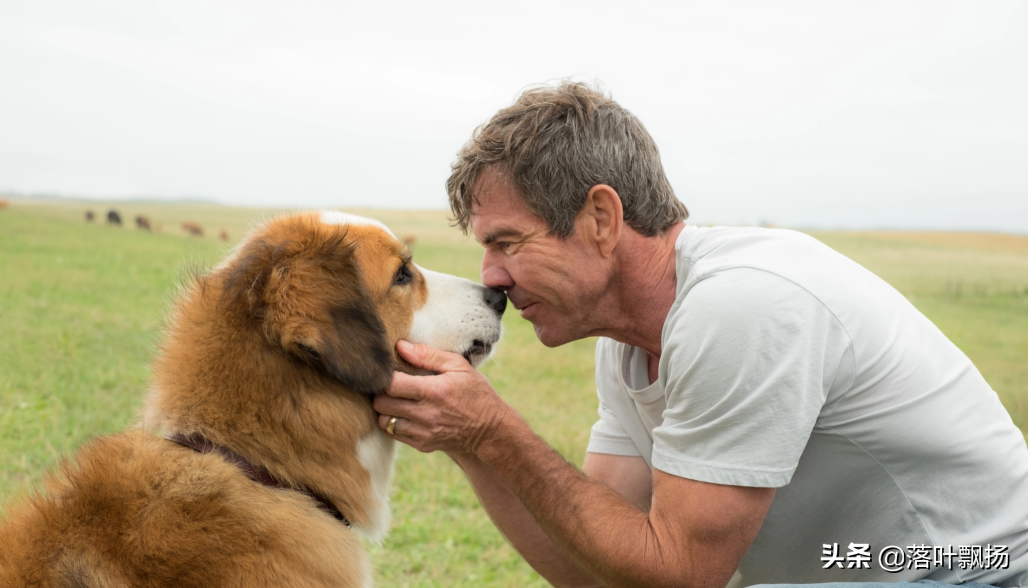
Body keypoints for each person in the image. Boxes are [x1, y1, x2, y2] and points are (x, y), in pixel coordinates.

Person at [372, 82, 1028, 588]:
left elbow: (680, 574)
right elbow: (597, 567)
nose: (491, 278)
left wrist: (494, 431)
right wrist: (468, 445)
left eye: (507, 243)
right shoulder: (629, 343)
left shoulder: (742, 305)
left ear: (601, 217)